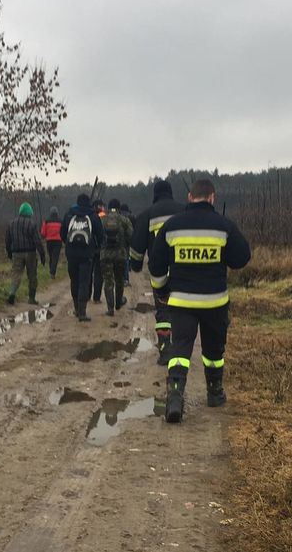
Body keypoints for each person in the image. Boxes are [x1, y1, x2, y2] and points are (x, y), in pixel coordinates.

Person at [148, 179, 251, 423]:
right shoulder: (224, 226)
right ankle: (214, 393)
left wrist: (162, 290)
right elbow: (242, 257)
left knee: (180, 349)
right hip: (215, 303)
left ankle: (174, 397)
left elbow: (155, 265)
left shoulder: (172, 227)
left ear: (190, 197)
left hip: (182, 303)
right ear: (212, 198)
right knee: (214, 351)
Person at [129, 179, 185, 365]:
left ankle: (165, 350)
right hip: (183, 270)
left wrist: (136, 266)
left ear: (155, 194)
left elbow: (137, 246)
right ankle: (182, 349)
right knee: (184, 311)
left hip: (159, 271)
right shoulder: (184, 211)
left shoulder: (148, 215)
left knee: (163, 311)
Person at [61, 193, 105, 322]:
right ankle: (82, 312)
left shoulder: (69, 214)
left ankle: (76, 308)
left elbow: (63, 232)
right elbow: (100, 234)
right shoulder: (93, 215)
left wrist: (68, 244)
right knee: (84, 282)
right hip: (87, 254)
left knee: (74, 280)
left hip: (71, 254)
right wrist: (96, 247)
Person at [5, 202, 47, 305]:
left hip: (16, 253)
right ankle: (31, 298)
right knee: (32, 275)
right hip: (30, 253)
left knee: (16, 274)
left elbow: (7, 240)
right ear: (30, 212)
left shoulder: (12, 224)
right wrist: (42, 254)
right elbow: (37, 241)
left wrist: (9, 252)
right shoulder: (32, 224)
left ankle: (12, 293)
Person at [99, 199, 134, 316]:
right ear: (119, 208)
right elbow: (131, 236)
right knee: (119, 280)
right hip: (120, 255)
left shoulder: (102, 219)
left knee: (108, 282)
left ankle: (110, 309)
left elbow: (97, 236)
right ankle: (118, 303)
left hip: (105, 255)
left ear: (108, 207)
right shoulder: (124, 220)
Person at [41, 206, 64, 279]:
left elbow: (43, 233)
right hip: (58, 241)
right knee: (55, 257)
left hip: (49, 241)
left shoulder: (46, 221)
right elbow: (63, 232)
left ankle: (51, 271)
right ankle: (52, 272)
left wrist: (44, 237)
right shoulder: (61, 221)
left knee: (51, 256)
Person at [91, 199, 107, 305]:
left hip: (87, 248)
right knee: (98, 274)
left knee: (87, 273)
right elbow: (103, 233)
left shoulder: (88, 216)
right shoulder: (103, 216)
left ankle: (86, 295)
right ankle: (96, 298)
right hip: (99, 249)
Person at [119, 203, 134, 287]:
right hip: (126, 243)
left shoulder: (118, 217)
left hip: (117, 242)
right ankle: (126, 279)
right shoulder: (131, 217)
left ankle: (119, 278)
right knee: (126, 260)